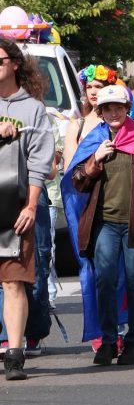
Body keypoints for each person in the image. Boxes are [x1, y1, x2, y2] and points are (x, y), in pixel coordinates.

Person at [63, 84, 134, 366]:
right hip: (104, 225)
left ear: (127, 109)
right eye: (108, 108)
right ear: (100, 112)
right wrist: (94, 161)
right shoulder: (93, 141)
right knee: (105, 281)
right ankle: (109, 342)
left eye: (119, 108)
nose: (114, 113)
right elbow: (77, 181)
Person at [0, 37, 56, 381]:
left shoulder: (33, 109)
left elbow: (40, 162)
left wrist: (32, 205)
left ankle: (15, 352)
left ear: (15, 64)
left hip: (12, 207)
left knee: (12, 283)